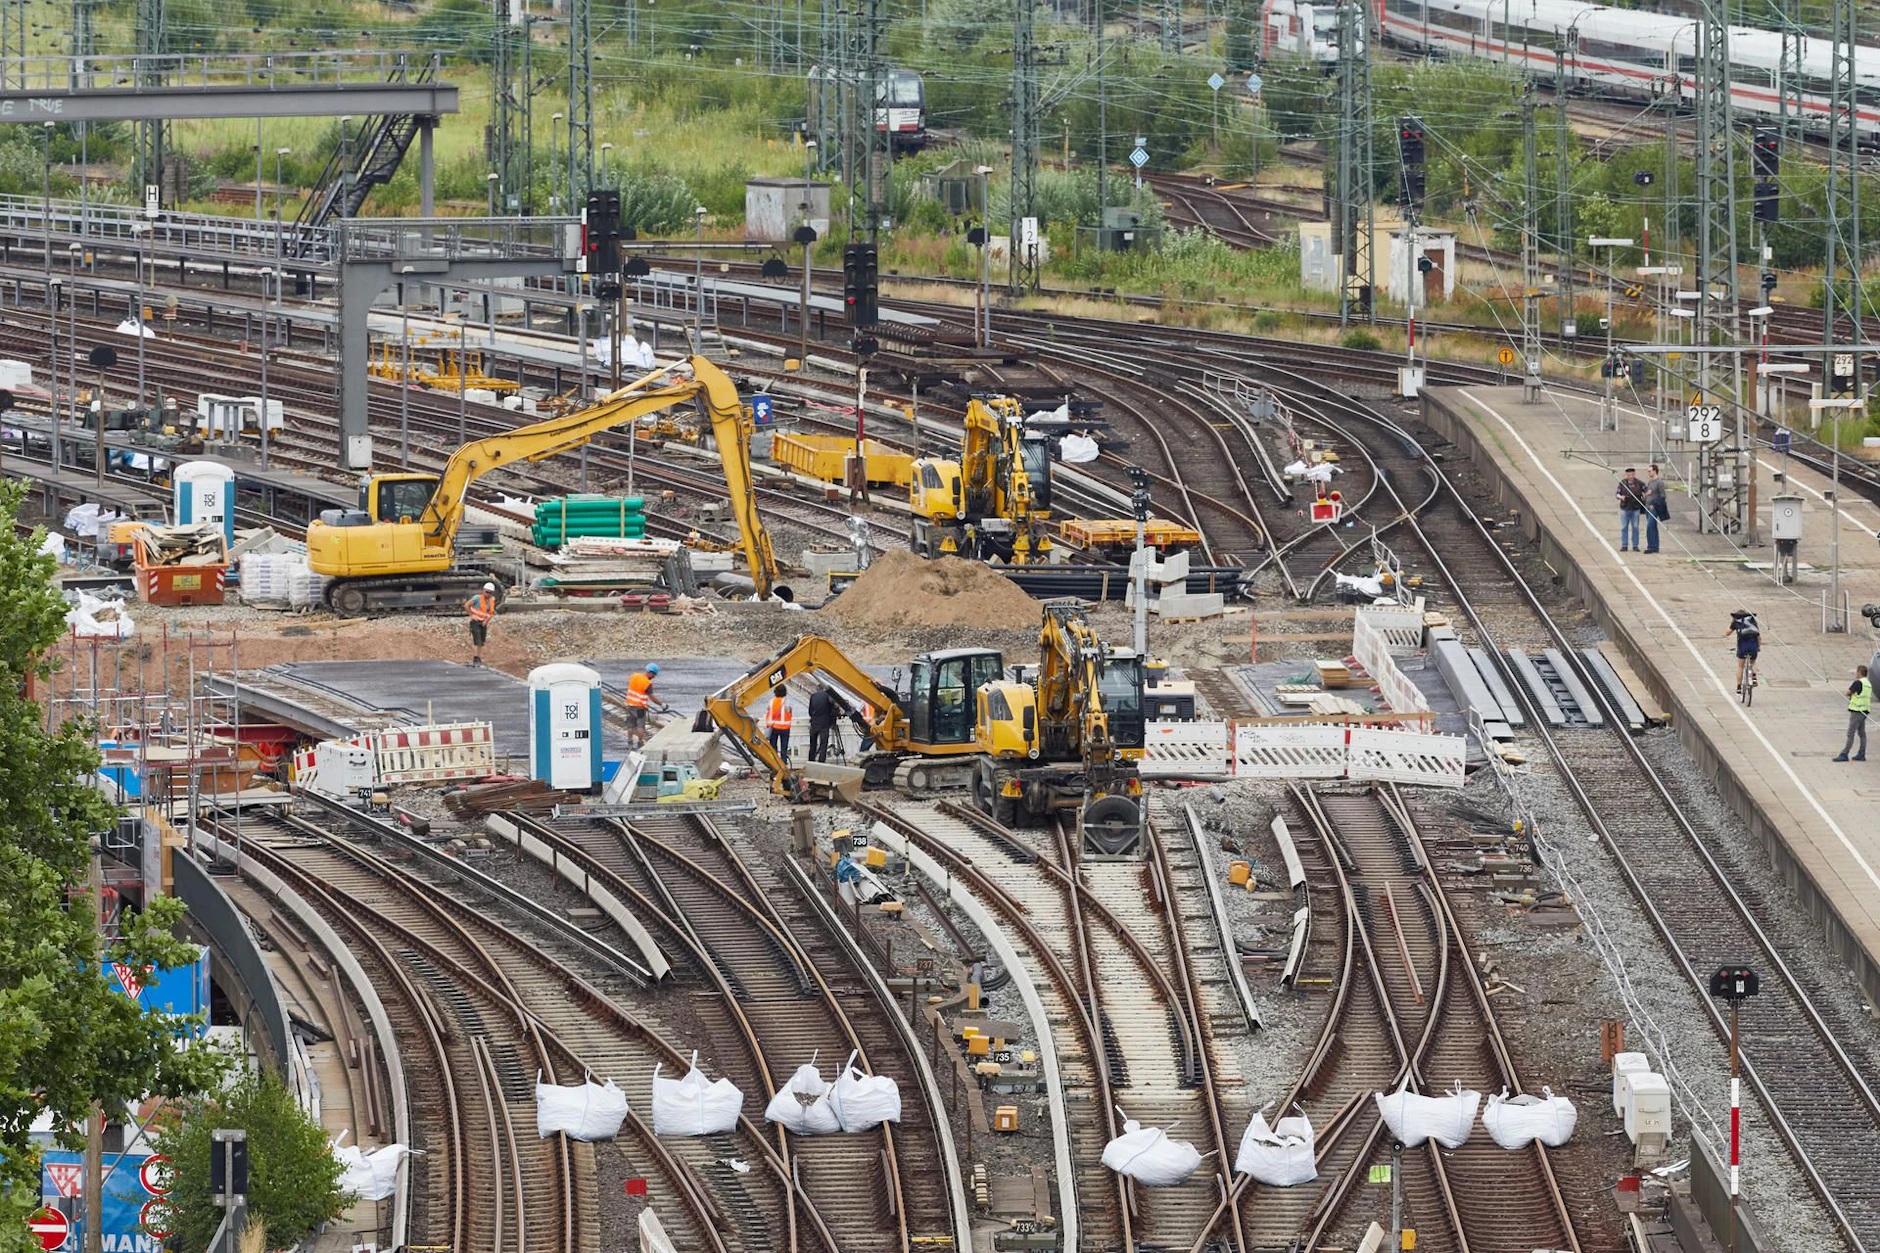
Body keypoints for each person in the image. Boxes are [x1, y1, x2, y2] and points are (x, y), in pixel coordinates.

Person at [1836, 664, 1872, 762]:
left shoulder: (1858, 682)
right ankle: (1861, 753)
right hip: (1864, 711)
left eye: (1857, 672)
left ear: (1860, 673)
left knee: (1850, 733)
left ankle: (1845, 753)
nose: (1856, 674)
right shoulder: (1868, 683)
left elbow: (1848, 692)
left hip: (1857, 711)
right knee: (1862, 733)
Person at [622, 663, 662, 750]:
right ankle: (640, 743)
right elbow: (652, 697)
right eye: (654, 675)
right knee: (640, 726)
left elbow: (631, 681)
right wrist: (661, 704)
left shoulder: (635, 676)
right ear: (651, 673)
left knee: (630, 725)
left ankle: (630, 741)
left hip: (630, 705)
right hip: (640, 707)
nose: (654, 677)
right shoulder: (647, 683)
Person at [807, 686, 852, 763]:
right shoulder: (828, 695)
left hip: (814, 723)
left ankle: (811, 762)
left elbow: (810, 711)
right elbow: (834, 708)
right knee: (823, 745)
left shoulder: (813, 696)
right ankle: (821, 763)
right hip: (824, 724)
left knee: (813, 745)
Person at [1725, 609, 1761, 694]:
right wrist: (1758, 647)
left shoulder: (1736, 621)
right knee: (1753, 663)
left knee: (1740, 666)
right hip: (1753, 645)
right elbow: (1759, 636)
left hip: (1743, 645)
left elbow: (1727, 633)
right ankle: (1754, 677)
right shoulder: (1752, 621)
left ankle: (1738, 687)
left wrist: (1732, 626)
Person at [464, 582, 498, 666]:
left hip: (483, 623)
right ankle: (475, 658)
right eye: (487, 592)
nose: (488, 594)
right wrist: (471, 615)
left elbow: (490, 613)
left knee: (481, 641)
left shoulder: (491, 600)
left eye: (490, 593)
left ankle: (479, 657)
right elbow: (466, 605)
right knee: (477, 640)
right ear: (483, 591)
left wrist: (486, 621)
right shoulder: (477, 598)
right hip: (475, 622)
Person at [1616, 467, 1648, 552]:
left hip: (1635, 508)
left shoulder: (1639, 483)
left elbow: (1646, 491)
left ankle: (1635, 545)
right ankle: (1624, 545)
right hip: (1625, 508)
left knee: (1635, 527)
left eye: (1632, 474)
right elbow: (1617, 494)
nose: (1631, 476)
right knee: (1624, 527)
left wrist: (1644, 496)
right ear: (1626, 475)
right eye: (1629, 475)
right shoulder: (1622, 483)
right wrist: (1621, 497)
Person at [1642, 464, 1669, 554]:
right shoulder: (1650, 482)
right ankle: (1654, 546)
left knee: (1650, 526)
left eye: (1650, 471)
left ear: (1654, 471)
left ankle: (1651, 546)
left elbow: (1662, 496)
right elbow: (1648, 493)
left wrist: (1654, 504)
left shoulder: (1659, 483)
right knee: (1652, 527)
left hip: (1653, 508)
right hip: (1647, 507)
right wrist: (1646, 495)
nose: (1649, 473)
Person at [764, 684, 793, 761]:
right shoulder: (787, 702)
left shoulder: (771, 702)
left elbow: (768, 713)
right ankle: (783, 764)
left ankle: (774, 763)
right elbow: (790, 713)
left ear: (775, 692)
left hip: (773, 727)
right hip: (785, 728)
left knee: (773, 748)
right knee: (784, 748)